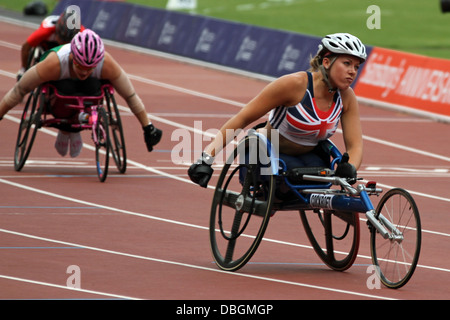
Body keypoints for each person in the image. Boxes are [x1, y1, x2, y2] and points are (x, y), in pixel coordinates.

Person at [188, 33, 365, 188]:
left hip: (308, 157)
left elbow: (355, 145)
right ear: (326, 62)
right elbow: (242, 118)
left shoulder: (347, 98)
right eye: (347, 63)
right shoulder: (293, 85)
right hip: (265, 154)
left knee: (326, 179)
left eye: (356, 67)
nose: (352, 71)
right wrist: (206, 159)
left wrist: (350, 168)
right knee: (289, 177)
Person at [0, 29, 162, 157]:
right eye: (80, 66)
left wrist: (147, 127)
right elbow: (19, 90)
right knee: (67, 88)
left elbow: (130, 95)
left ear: (97, 62)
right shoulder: (53, 64)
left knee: (93, 86)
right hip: (58, 93)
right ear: (72, 57)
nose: (85, 71)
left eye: (90, 68)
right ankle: (67, 129)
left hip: (89, 96)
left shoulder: (107, 64)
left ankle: (74, 128)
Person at [18, 6, 85, 80]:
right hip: (48, 44)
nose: (63, 42)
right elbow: (26, 47)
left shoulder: (82, 33)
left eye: (67, 40)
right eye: (62, 39)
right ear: (57, 31)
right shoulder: (45, 31)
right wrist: (23, 69)